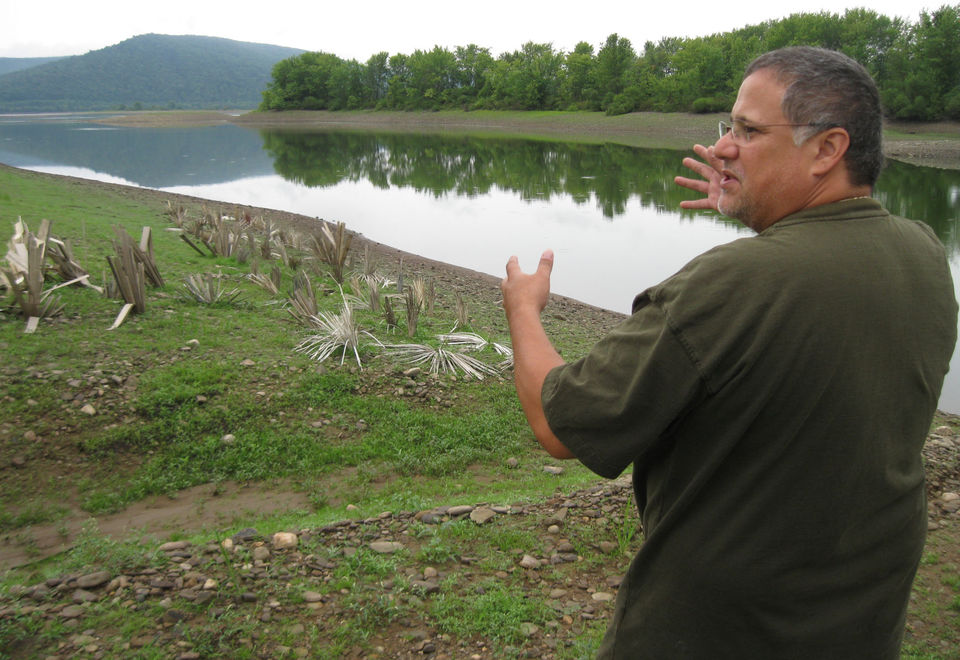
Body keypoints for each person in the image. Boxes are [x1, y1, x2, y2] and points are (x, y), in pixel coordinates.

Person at [501, 46, 958, 659]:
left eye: (747, 130)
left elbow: (561, 424)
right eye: (727, 128)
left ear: (827, 150)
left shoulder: (736, 281)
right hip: (859, 621)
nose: (722, 148)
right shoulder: (924, 253)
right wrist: (759, 208)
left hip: (716, 630)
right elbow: (810, 266)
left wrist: (523, 311)